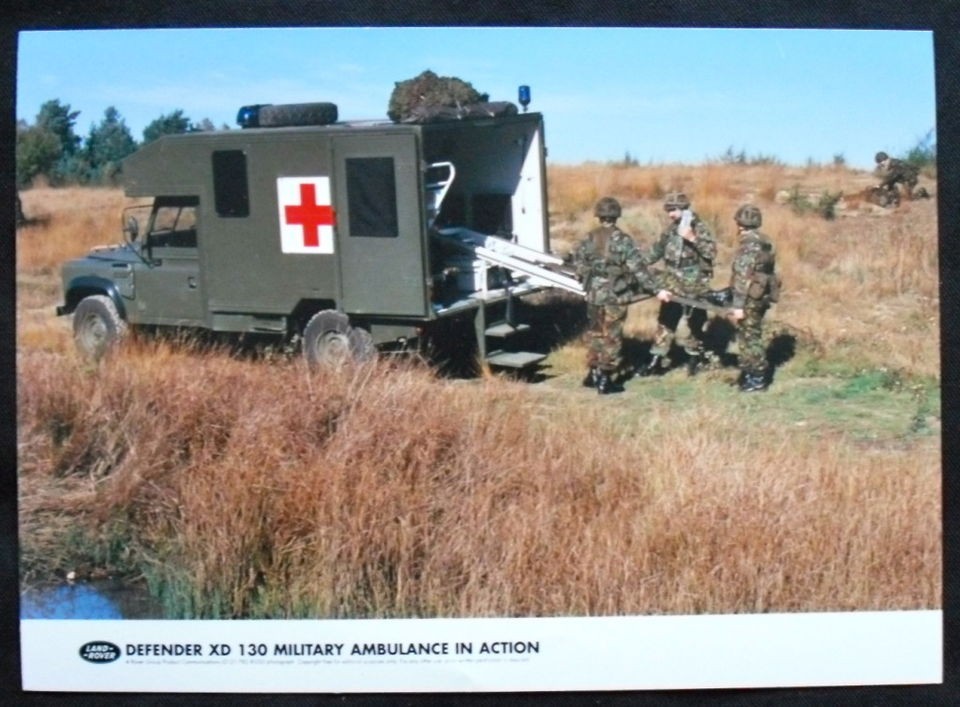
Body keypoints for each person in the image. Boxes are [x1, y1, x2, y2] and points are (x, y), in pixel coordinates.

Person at [572, 197, 660, 394]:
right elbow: (638, 269)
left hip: (594, 293)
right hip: (615, 295)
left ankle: (592, 374)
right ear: (616, 216)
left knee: (596, 333)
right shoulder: (623, 240)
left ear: (599, 216)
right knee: (612, 336)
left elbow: (577, 260)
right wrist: (655, 288)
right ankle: (605, 379)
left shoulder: (589, 237)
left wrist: (587, 276)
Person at [640, 191, 717, 376]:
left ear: (684, 208)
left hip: (694, 282)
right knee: (666, 319)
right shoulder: (671, 229)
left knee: (695, 322)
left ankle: (695, 358)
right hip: (672, 281)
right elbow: (656, 250)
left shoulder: (698, 227)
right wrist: (637, 264)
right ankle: (656, 360)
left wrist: (692, 238)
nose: (670, 214)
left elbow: (711, 253)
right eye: (668, 210)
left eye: (673, 210)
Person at [728, 204, 779, 392]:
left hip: (750, 298)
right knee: (752, 335)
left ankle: (756, 378)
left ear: (740, 224)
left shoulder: (748, 245)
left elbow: (743, 277)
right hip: (760, 295)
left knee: (749, 338)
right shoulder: (765, 241)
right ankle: (751, 376)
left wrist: (738, 306)